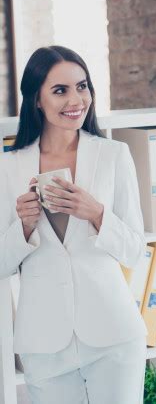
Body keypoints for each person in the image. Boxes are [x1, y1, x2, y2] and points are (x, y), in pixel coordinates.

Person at [0, 46, 147, 404]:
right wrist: (23, 227)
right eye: (60, 90)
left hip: (113, 334)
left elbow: (134, 249)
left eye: (82, 86)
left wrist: (96, 213)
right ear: (36, 99)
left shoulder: (113, 155)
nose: (76, 99)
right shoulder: (10, 166)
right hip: (44, 341)